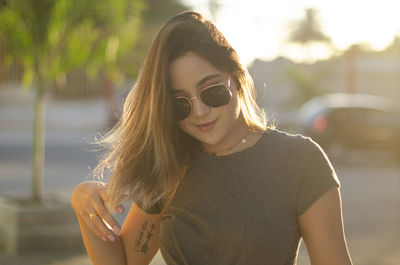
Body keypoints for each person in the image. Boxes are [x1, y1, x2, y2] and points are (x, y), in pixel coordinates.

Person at [71, 11, 353, 265]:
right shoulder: (172, 166)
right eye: (180, 103)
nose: (200, 111)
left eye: (212, 91)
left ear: (237, 77)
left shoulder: (299, 160)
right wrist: (83, 202)